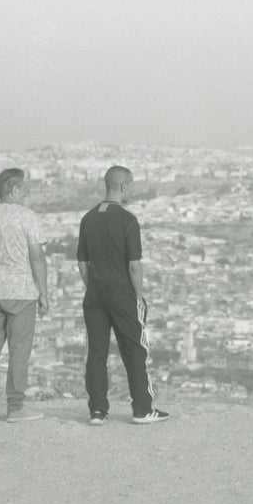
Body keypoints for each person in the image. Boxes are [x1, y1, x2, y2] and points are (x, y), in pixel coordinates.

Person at [77, 165, 169, 425]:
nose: (133, 189)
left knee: (96, 351)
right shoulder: (128, 220)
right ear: (123, 186)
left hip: (94, 292)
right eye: (132, 185)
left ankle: (97, 410)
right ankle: (142, 409)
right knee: (135, 350)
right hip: (122, 292)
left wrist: (93, 286)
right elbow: (134, 265)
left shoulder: (88, 218)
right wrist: (137, 295)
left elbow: (82, 264)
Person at [0, 167, 49, 422]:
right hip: (21, 292)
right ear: (14, 189)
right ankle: (15, 407)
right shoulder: (28, 217)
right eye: (24, 188)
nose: (27, 193)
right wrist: (44, 292)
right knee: (19, 350)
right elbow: (37, 256)